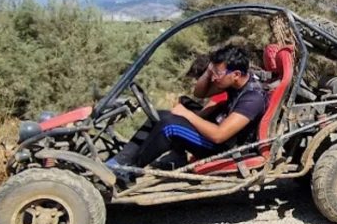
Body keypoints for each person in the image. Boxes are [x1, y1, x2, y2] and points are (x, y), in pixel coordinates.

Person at [109, 45, 266, 170]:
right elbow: (199, 93)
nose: (213, 77)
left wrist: (187, 114)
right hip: (217, 133)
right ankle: (119, 161)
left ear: (236, 74)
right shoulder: (236, 81)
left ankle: (130, 171)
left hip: (226, 149)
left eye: (218, 73)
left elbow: (219, 135)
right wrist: (210, 70)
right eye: (213, 72)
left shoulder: (252, 98)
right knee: (160, 115)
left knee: (169, 127)